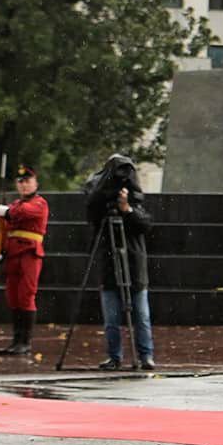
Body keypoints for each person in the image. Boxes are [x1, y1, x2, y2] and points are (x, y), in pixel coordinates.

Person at [84, 154, 154, 371]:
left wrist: (126, 209)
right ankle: (114, 357)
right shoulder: (100, 204)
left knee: (141, 316)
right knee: (111, 318)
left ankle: (145, 356)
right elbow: (91, 214)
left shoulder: (135, 200)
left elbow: (145, 225)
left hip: (134, 268)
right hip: (110, 267)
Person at [0, 165, 49, 355]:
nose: (24, 185)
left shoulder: (39, 203)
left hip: (29, 253)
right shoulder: (16, 204)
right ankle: (16, 340)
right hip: (13, 253)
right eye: (20, 182)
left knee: (26, 296)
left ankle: (25, 342)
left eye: (27, 181)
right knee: (13, 297)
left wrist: (7, 212)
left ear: (36, 183)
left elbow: (23, 213)